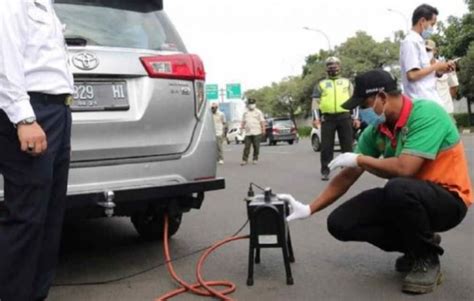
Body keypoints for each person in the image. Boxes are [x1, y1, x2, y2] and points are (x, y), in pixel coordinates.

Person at [283, 69, 472, 294]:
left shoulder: (426, 114)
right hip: (408, 197)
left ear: (382, 97)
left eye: (364, 104)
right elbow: (348, 175)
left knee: (398, 187)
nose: (361, 112)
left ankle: (426, 258)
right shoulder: (376, 131)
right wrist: (310, 208)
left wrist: (360, 159)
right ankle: (418, 244)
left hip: (449, 200)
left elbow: (405, 169)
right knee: (340, 223)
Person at [0, 1, 74, 301]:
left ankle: (35, 295)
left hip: (58, 111)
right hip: (30, 112)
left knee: (50, 216)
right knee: (27, 217)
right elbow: (4, 59)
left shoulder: (46, 6)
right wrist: (24, 117)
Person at [312, 56, 359, 181]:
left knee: (347, 146)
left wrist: (356, 117)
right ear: (326, 68)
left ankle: (348, 170)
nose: (333, 67)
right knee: (326, 147)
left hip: (345, 117)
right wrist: (316, 118)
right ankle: (325, 171)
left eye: (335, 65)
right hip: (327, 118)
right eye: (330, 65)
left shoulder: (347, 82)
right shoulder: (321, 84)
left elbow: (355, 100)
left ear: (340, 66)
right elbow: (315, 103)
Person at [399, 4, 455, 106]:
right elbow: (412, 75)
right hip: (421, 102)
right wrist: (436, 66)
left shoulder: (419, 42)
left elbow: (424, 74)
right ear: (422, 21)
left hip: (430, 100)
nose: (432, 28)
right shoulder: (410, 42)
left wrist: (440, 71)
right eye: (432, 24)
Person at [425, 40, 460, 117]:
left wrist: (446, 101)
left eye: (428, 50)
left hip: (446, 111)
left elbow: (454, 86)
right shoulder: (419, 69)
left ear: (435, 51)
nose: (426, 52)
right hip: (428, 113)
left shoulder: (445, 65)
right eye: (424, 50)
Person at [240, 98, 265, 165]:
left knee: (256, 146)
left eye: (252, 104)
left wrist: (263, 130)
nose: (251, 105)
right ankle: (244, 160)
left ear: (255, 104)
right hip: (248, 132)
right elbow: (243, 121)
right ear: (248, 105)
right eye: (250, 104)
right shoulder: (245, 113)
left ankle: (255, 159)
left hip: (257, 132)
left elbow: (262, 121)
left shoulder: (258, 112)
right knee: (246, 147)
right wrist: (241, 129)